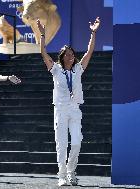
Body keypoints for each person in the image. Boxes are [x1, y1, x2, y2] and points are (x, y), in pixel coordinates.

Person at [37, 17, 101, 186]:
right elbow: (43, 53)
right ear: (63, 57)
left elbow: (89, 52)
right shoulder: (56, 69)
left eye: (73, 54)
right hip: (60, 110)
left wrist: (93, 32)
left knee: (77, 142)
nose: (71, 57)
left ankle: (71, 172)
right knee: (62, 144)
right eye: (68, 55)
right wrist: (42, 35)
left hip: (75, 109)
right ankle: (62, 176)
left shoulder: (78, 69)